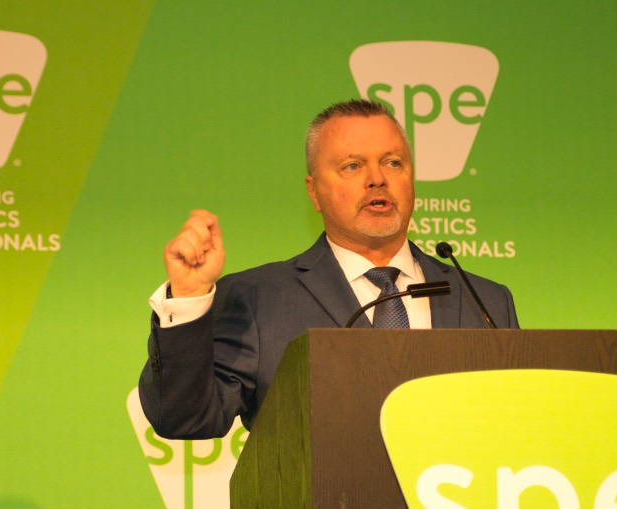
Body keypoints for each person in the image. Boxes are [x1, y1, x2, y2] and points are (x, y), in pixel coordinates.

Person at [139, 99, 518, 439]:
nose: (377, 179)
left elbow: (519, 426)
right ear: (313, 191)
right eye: (353, 166)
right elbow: (185, 418)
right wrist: (188, 300)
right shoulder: (257, 299)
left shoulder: (486, 301)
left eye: (393, 162)